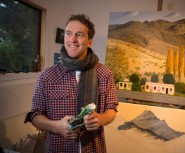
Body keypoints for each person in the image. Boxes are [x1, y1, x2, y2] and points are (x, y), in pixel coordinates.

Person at [25, 14, 119, 153]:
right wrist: (57, 126)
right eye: (68, 33)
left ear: (90, 41)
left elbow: (111, 109)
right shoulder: (47, 76)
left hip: (93, 148)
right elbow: (34, 116)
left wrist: (100, 118)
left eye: (79, 34)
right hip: (58, 148)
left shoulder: (104, 73)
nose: (72, 39)